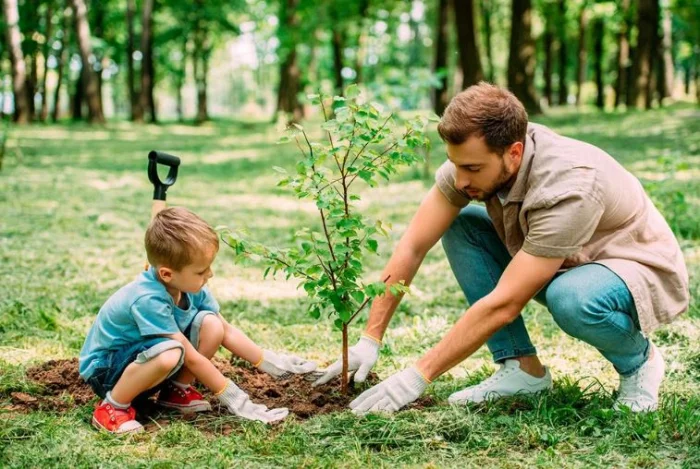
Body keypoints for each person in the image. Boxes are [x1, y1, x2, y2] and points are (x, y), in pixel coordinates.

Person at [313, 82, 689, 415]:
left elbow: (506, 302)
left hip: (630, 266)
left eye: (473, 169)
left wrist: (417, 375)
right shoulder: (470, 164)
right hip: (563, 258)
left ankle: (639, 363)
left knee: (570, 298)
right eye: (454, 164)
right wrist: (370, 337)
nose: (461, 180)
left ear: (513, 152)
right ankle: (522, 370)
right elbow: (413, 245)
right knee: (462, 227)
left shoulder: (569, 186)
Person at [79, 207, 316, 433]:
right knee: (171, 351)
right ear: (167, 274)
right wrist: (236, 399)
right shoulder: (147, 299)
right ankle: (112, 407)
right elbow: (189, 357)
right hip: (107, 371)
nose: (209, 274)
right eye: (201, 271)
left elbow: (226, 330)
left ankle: (175, 392)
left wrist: (270, 363)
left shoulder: (189, 286)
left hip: (142, 362)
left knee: (211, 324)